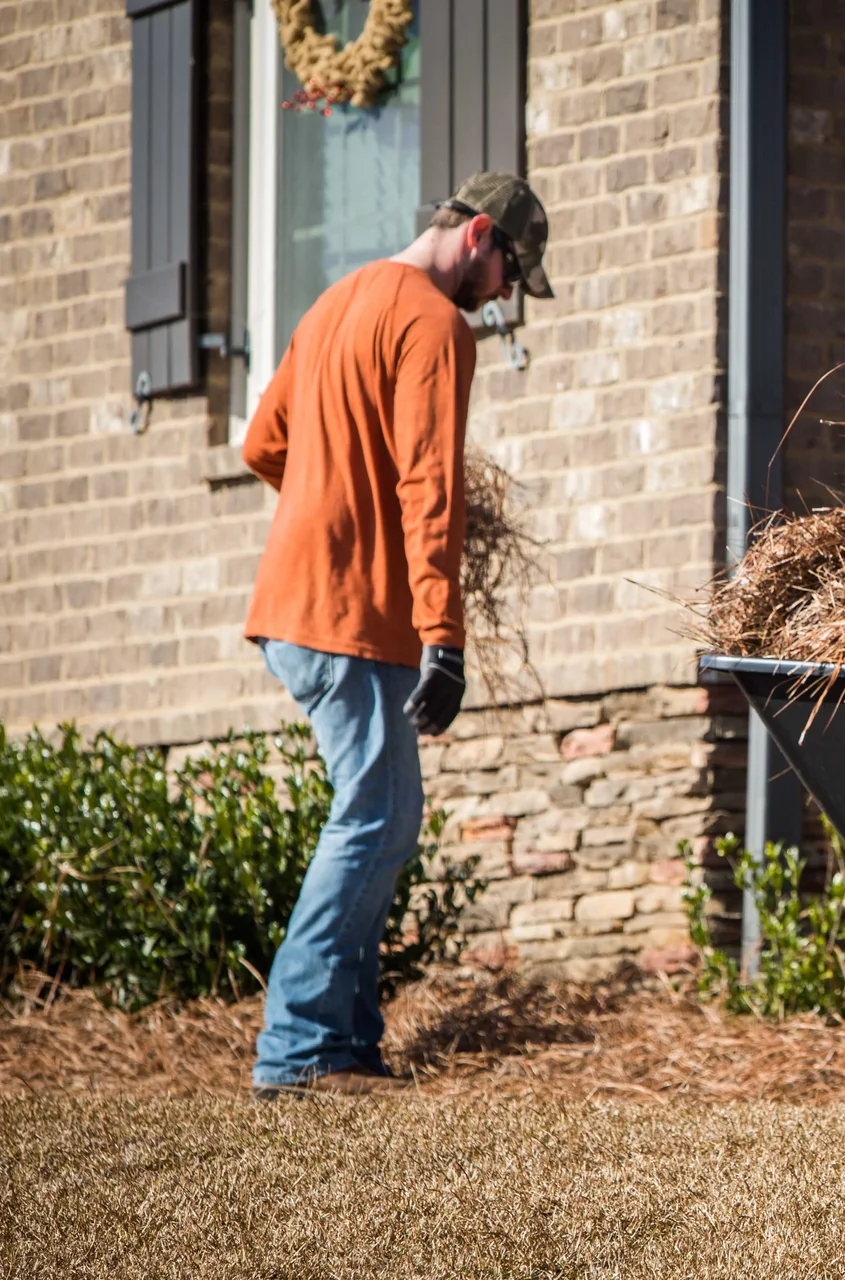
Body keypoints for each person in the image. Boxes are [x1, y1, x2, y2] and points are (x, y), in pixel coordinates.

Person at [241, 173, 554, 1099]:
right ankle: (300, 1051)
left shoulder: (334, 303)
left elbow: (262, 445)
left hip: (300, 603)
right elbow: (430, 486)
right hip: (347, 611)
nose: (504, 296)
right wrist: (443, 637)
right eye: (511, 273)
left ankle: (347, 1047)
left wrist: (332, 496)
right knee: (373, 816)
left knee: (384, 815)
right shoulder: (433, 323)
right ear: (480, 235)